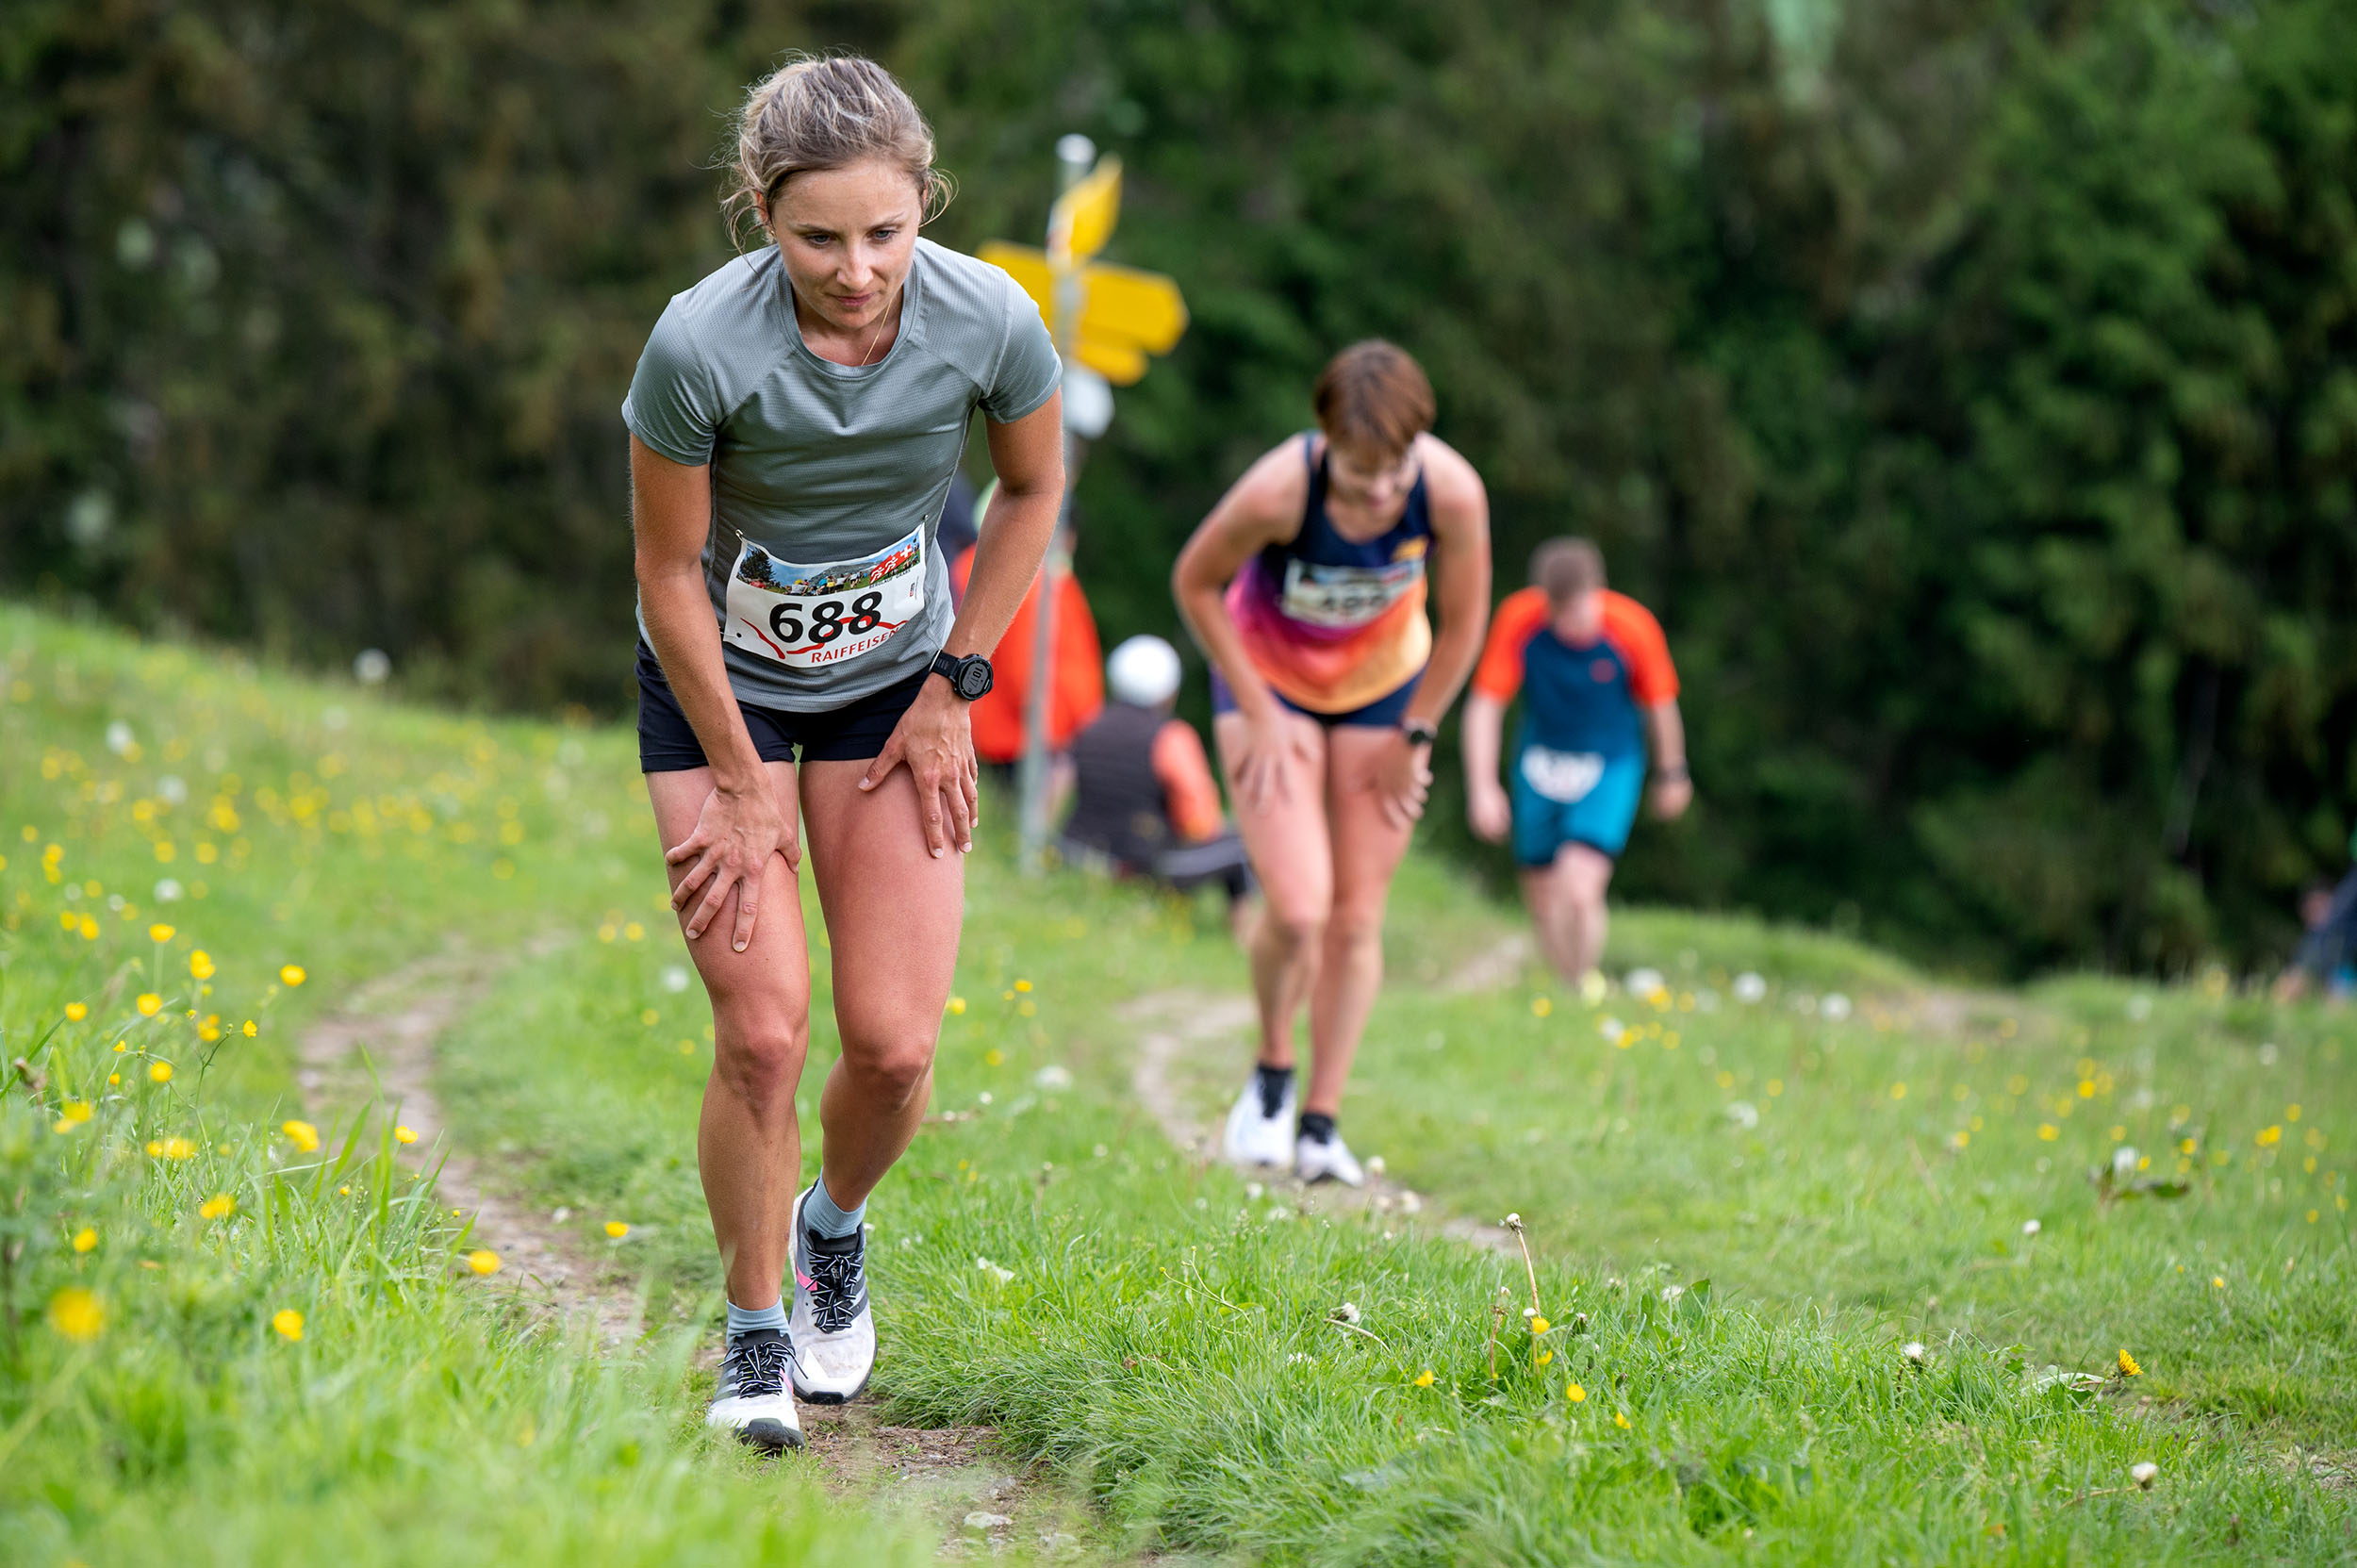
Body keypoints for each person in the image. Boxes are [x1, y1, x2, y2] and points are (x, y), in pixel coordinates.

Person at [624, 54, 1063, 1452]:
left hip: (898, 685)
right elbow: (667, 571)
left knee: (893, 1045)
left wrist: (957, 682)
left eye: (886, 231)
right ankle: (755, 1328)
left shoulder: (989, 317)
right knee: (762, 1033)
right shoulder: (700, 345)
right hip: (725, 692)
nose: (858, 270)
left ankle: (832, 1224)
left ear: (925, 203)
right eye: (820, 237)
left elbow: (1033, 487)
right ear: (761, 214)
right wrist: (738, 779)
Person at [1173, 341, 1491, 1185]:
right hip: (1270, 685)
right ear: (1327, 441)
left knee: (1355, 918)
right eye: (1360, 472)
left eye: (1395, 470)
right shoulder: (1280, 490)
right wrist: (1257, 709)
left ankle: (1322, 1121)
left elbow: (1465, 622)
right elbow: (1196, 582)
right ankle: (1272, 1072)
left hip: (1386, 695)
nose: (1380, 491)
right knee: (1301, 908)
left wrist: (1418, 733)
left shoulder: (1451, 493)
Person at [1462, 538, 1690, 985]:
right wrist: (1482, 787)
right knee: (1543, 896)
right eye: (1558, 610)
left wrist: (1672, 773)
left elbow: (1660, 705)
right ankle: (1562, 987)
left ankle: (1582, 983)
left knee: (1580, 890)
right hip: (1540, 763)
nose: (1569, 622)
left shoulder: (1632, 627)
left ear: (1597, 589)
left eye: (1577, 607)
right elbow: (1486, 704)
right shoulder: (1519, 620)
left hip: (1609, 764)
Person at [1060, 634, 1258, 939]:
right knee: (1242, 848)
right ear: (1169, 690)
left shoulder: (1089, 727)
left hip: (1078, 852)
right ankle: (1242, 935)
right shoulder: (1171, 737)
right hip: (1143, 865)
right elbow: (1200, 821)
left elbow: (1059, 785)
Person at [951, 505, 1104, 797]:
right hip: (1022, 738)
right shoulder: (1032, 580)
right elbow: (1026, 668)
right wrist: (1057, 728)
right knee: (1026, 817)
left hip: (997, 729)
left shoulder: (979, 563)